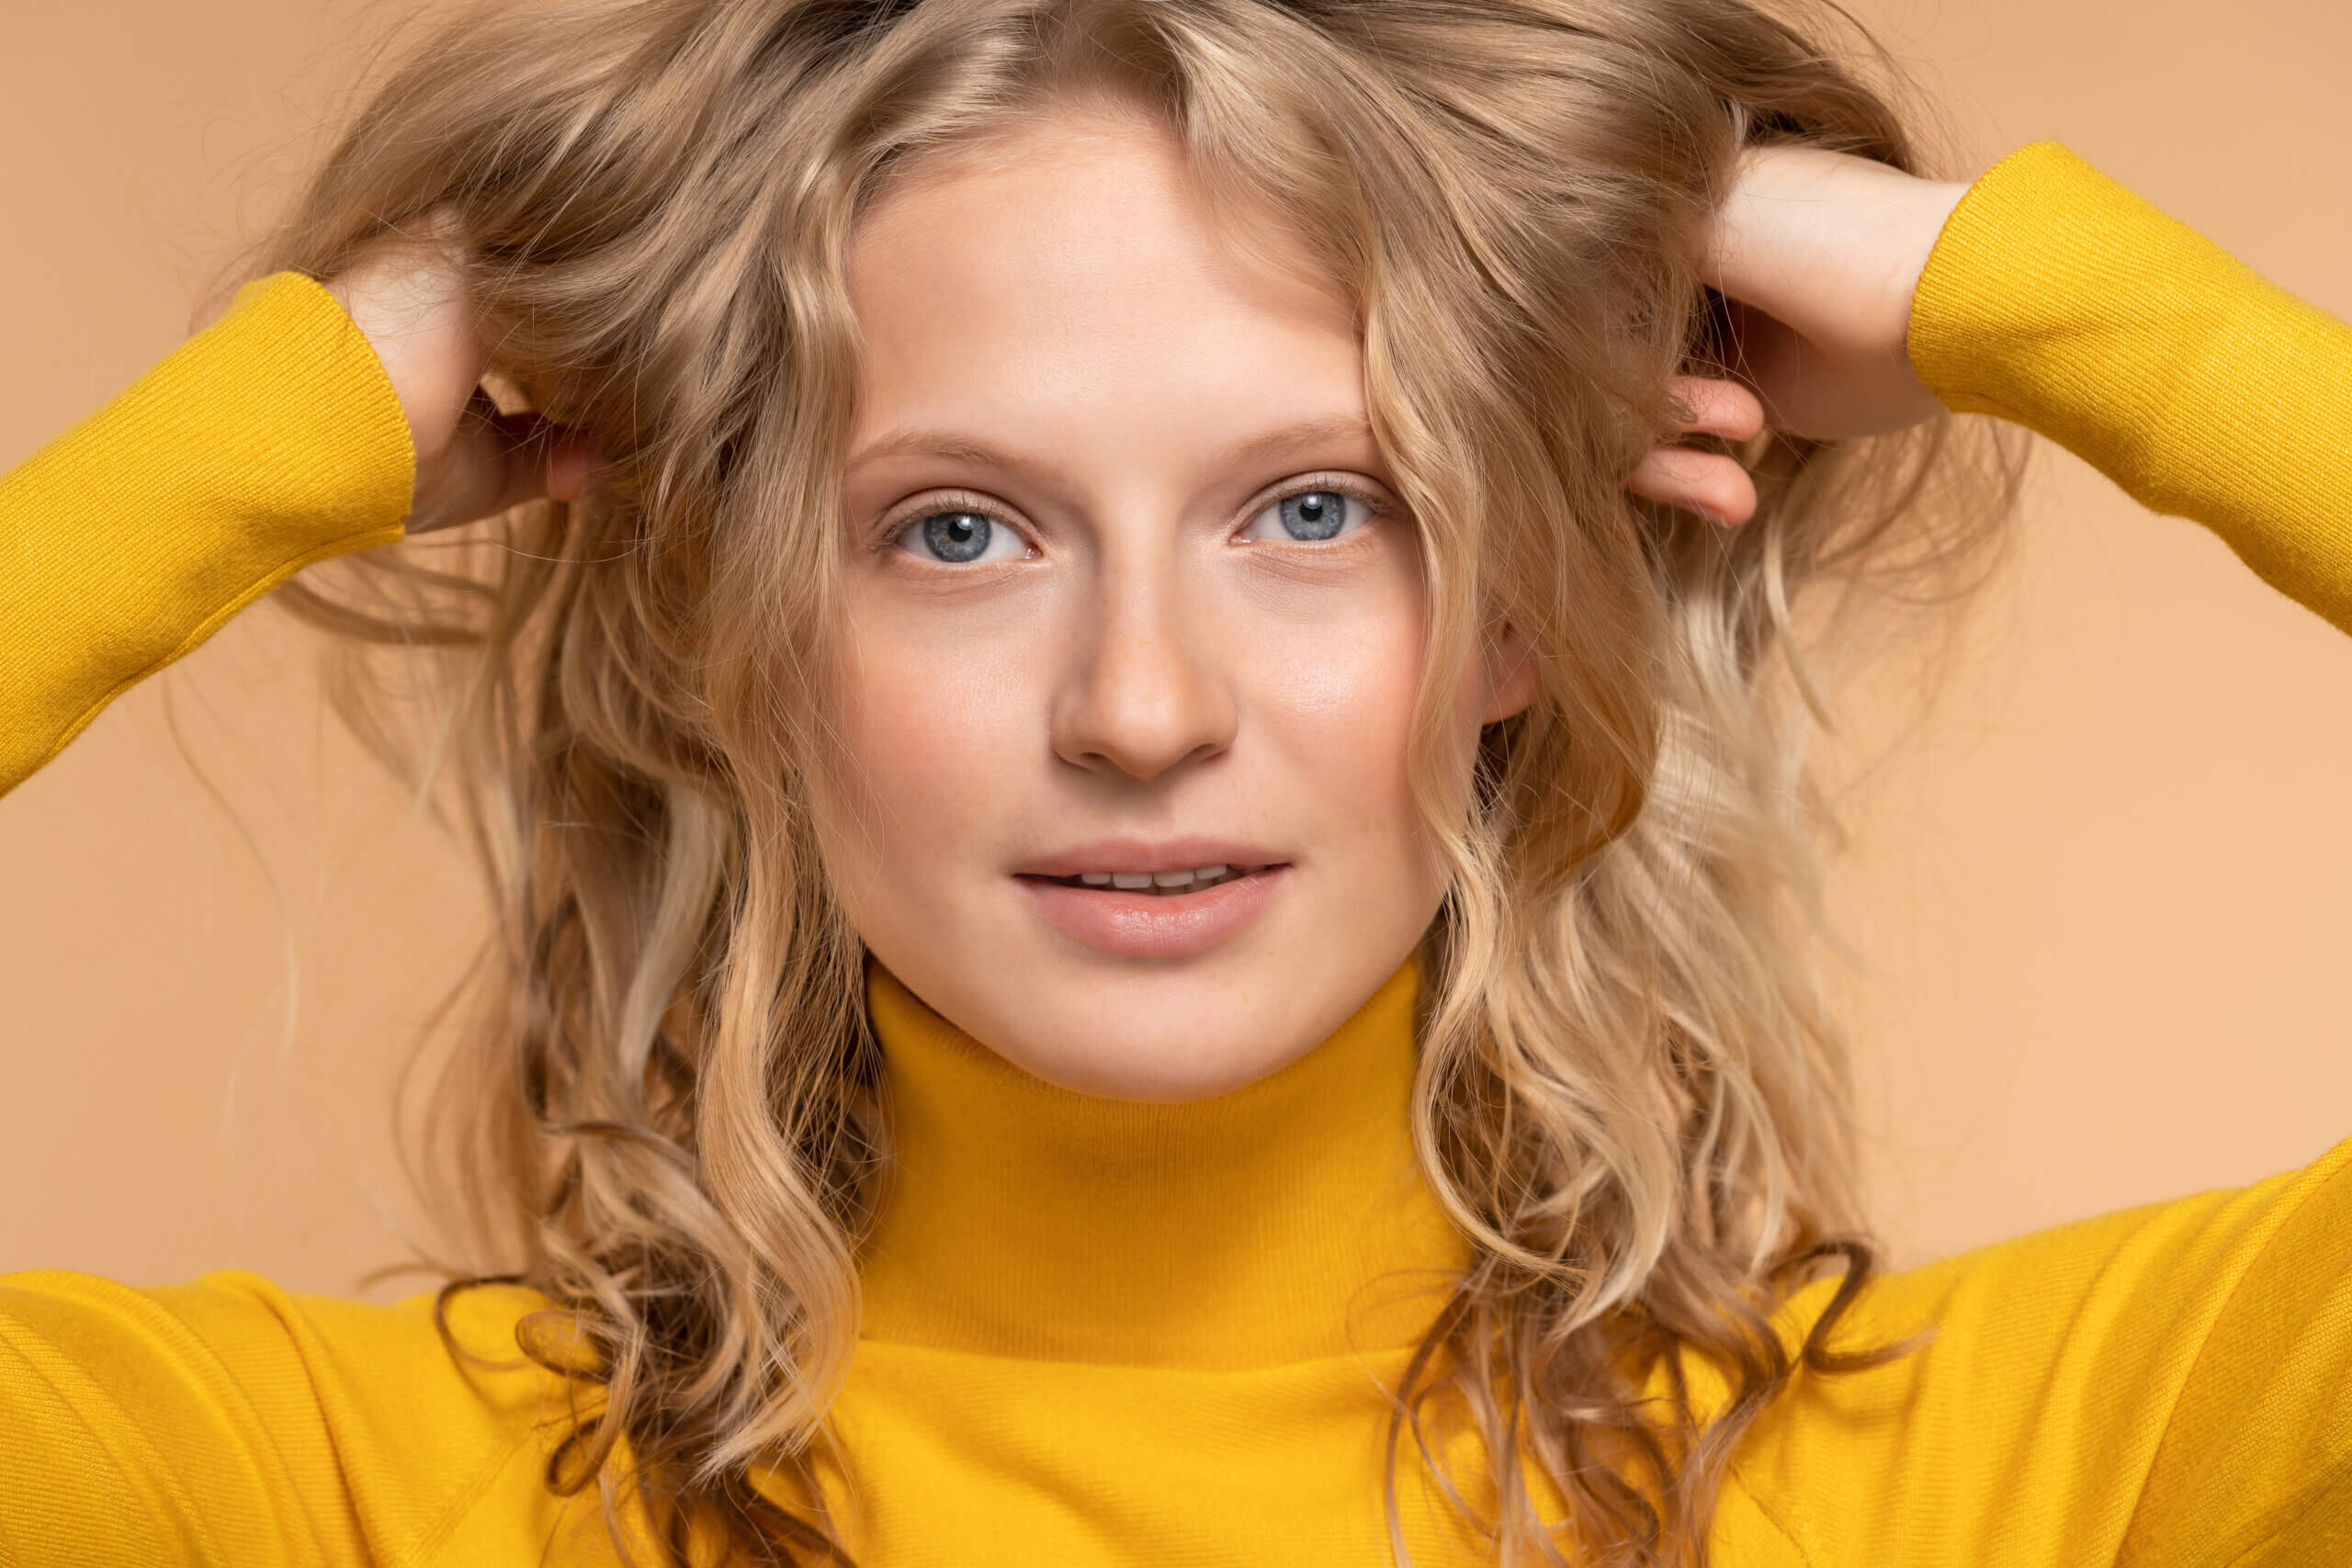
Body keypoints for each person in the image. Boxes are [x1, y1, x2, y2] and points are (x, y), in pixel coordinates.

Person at [2, 0, 2347, 1562]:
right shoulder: (331, 1492)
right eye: (957, 528)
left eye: (1319, 507)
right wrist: (277, 433)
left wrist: (2008, 293)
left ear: (1525, 600)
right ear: (735, 629)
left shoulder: (2009, 1472)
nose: (1139, 704)